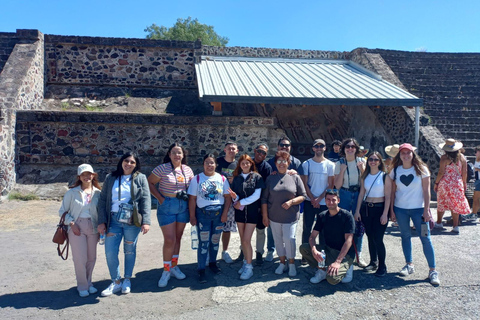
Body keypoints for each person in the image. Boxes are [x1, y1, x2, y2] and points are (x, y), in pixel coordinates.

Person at [97, 152, 151, 297]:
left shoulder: (141, 178)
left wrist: (146, 221)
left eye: (132, 162)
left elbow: (146, 200)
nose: (129, 164)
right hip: (113, 220)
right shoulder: (111, 178)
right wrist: (101, 221)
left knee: (130, 250)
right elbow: (102, 201)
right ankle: (116, 281)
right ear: (121, 162)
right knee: (110, 252)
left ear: (136, 164)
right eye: (126, 161)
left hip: (132, 221)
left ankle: (127, 279)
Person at [389, 143, 440, 286]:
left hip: (419, 210)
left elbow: (426, 191)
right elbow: (393, 191)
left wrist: (427, 210)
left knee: (426, 239)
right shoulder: (395, 170)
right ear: (399, 155)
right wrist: (392, 210)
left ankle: (432, 270)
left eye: (408, 153)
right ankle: (409, 264)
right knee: (405, 236)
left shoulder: (421, 169)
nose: (405, 155)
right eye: (403, 153)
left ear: (413, 154)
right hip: (401, 209)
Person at [148, 143, 194, 287]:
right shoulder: (162, 168)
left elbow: (192, 187)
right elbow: (149, 183)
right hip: (167, 205)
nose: (176, 155)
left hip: (183, 205)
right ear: (169, 154)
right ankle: (166, 270)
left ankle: (174, 266)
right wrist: (160, 199)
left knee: (178, 238)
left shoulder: (187, 170)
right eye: (173, 152)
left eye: (179, 153)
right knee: (169, 239)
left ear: (183, 155)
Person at [59, 164, 101, 297]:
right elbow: (62, 211)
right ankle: (82, 286)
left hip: (93, 226)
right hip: (76, 226)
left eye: (89, 174)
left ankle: (89, 283)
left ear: (93, 175)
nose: (87, 177)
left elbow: (101, 212)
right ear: (79, 177)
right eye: (83, 174)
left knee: (91, 257)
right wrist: (71, 223)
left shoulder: (98, 193)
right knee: (79, 258)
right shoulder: (71, 193)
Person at [261, 151, 306, 277]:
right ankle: (282, 263)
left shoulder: (295, 177)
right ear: (275, 163)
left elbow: (303, 196)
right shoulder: (270, 178)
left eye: (284, 161)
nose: (281, 163)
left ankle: (291, 263)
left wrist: (292, 202)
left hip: (291, 217)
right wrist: (265, 216)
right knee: (278, 240)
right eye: (279, 161)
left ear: (288, 163)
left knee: (289, 239)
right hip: (274, 216)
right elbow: (264, 199)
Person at [188, 154, 232, 283]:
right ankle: (201, 269)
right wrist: (192, 216)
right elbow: (192, 199)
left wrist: (225, 214)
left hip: (218, 214)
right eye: (207, 162)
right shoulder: (196, 179)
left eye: (212, 163)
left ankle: (213, 263)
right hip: (203, 215)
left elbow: (227, 197)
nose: (209, 165)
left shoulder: (222, 178)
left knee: (215, 240)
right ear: (203, 164)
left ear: (216, 165)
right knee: (203, 243)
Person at [299, 189, 355, 285]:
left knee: (332, 280)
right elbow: (312, 237)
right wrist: (314, 250)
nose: (331, 202)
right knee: (304, 248)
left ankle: (348, 268)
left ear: (338, 200)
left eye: (333, 200)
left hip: (345, 254)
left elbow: (348, 241)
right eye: (328, 199)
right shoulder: (322, 216)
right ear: (325, 201)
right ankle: (322, 270)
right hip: (328, 250)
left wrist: (337, 262)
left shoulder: (347, 216)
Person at [264, 136, 302, 261]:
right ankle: (271, 250)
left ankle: (289, 256)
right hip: (273, 202)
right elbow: (267, 177)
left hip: (290, 203)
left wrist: (294, 173)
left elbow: (300, 181)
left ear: (290, 147)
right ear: (278, 146)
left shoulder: (296, 162)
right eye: (282, 145)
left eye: (287, 145)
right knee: (273, 231)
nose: (284, 147)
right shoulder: (271, 161)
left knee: (288, 235)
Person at [354, 152, 391, 277]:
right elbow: (361, 194)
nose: (373, 161)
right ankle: (373, 261)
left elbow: (388, 197)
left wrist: (385, 214)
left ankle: (382, 265)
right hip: (367, 209)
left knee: (378, 238)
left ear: (380, 162)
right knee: (370, 236)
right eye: (370, 159)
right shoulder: (365, 176)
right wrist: (357, 210)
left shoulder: (385, 176)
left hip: (380, 209)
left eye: (376, 159)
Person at [228, 154, 265, 280]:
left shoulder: (257, 177)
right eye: (243, 163)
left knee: (246, 240)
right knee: (242, 239)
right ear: (240, 165)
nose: (245, 165)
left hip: (252, 212)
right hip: (240, 212)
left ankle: (249, 267)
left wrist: (241, 202)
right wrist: (235, 197)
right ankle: (245, 261)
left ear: (251, 164)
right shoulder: (237, 178)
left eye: (247, 163)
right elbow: (237, 196)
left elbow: (257, 195)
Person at [334, 138, 367, 267]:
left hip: (358, 193)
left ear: (356, 149)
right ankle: (343, 254)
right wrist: (342, 170)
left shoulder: (362, 162)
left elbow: (366, 181)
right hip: (344, 193)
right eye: (347, 146)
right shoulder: (339, 163)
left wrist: (363, 169)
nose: (350, 149)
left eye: (353, 146)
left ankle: (358, 254)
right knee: (343, 224)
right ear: (344, 149)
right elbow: (337, 185)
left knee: (358, 225)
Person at [300, 139, 335, 260]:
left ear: (325, 148)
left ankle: (322, 254)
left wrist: (319, 198)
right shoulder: (307, 164)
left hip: (323, 202)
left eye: (321, 146)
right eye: (317, 146)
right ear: (313, 148)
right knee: (307, 228)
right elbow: (304, 183)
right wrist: (312, 198)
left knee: (323, 230)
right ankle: (306, 254)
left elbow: (330, 184)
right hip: (310, 201)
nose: (319, 148)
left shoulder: (330, 165)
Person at [434, 139, 471, 233]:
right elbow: (464, 172)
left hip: (445, 183)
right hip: (457, 183)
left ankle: (439, 222)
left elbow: (441, 172)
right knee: (455, 204)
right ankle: (455, 226)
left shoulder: (444, 158)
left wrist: (436, 183)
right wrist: (464, 183)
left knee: (441, 201)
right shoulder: (462, 157)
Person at [216, 141, 238, 264]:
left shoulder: (238, 165)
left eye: (233, 149)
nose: (231, 150)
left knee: (227, 227)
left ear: (237, 151)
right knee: (214, 227)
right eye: (229, 148)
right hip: (216, 198)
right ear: (225, 150)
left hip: (229, 199)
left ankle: (225, 251)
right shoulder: (217, 162)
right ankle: (211, 252)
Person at [251, 144, 272, 265]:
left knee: (260, 229)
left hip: (259, 204)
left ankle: (259, 253)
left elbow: (267, 188)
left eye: (264, 153)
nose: (261, 154)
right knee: (245, 230)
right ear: (255, 150)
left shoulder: (267, 168)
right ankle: (243, 251)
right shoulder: (247, 163)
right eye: (259, 151)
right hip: (246, 203)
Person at [472, 146, 480, 218]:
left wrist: (477, 169)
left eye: (476, 152)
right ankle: (474, 213)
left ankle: (474, 214)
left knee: (476, 198)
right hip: (477, 180)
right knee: (475, 198)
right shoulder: (477, 160)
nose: (475, 154)